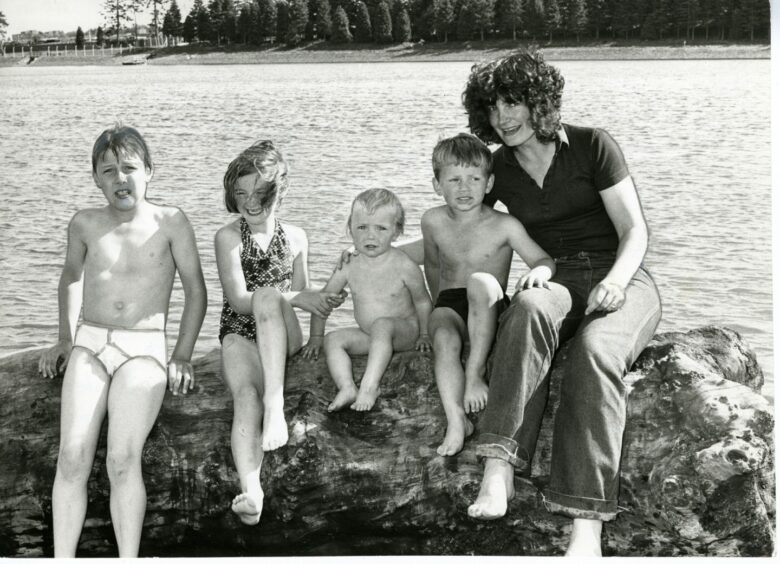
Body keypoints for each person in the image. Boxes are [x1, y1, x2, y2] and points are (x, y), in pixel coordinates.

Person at [461, 49, 662, 556]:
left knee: (595, 355)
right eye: (493, 107)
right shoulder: (499, 169)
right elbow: (463, 223)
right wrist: (378, 253)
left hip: (626, 276)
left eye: (515, 103)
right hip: (558, 276)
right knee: (526, 309)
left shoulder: (593, 145)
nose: (504, 117)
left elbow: (635, 230)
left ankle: (586, 527)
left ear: (539, 103)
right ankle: (499, 467)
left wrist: (616, 281)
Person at [38, 124, 208, 557]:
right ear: (96, 177)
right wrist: (63, 337)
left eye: (129, 168)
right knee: (72, 456)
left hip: (143, 350)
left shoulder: (171, 222)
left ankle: (127, 558)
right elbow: (71, 278)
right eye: (108, 170)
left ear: (149, 171)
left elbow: (196, 291)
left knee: (121, 459)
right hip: (90, 345)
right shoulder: (85, 223)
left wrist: (184, 354)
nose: (120, 178)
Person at [215, 140, 345, 526]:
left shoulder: (297, 237)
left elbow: (306, 299)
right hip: (239, 332)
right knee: (244, 396)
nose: (250, 202)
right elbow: (239, 301)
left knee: (272, 299)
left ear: (279, 190)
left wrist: (320, 328)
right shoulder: (229, 238)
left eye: (260, 192)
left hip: (283, 336)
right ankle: (252, 491)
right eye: (240, 193)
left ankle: (277, 407)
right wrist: (298, 296)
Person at [422, 133, 555, 457]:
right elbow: (432, 266)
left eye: (474, 178)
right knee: (442, 337)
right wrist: (436, 312)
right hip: (452, 301)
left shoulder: (505, 225)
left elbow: (543, 258)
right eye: (454, 179)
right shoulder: (433, 220)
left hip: (490, 302)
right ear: (437, 184)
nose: (464, 188)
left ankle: (475, 372)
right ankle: (457, 419)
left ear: (489, 182)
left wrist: (539, 271)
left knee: (479, 282)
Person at [301, 188, 433, 412]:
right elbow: (324, 299)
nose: (370, 236)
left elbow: (422, 301)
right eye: (362, 227)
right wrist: (315, 337)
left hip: (404, 333)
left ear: (396, 232)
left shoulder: (404, 265)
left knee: (382, 324)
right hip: (370, 334)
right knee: (333, 339)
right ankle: (347, 387)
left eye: (381, 228)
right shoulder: (349, 266)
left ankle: (370, 386)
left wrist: (424, 334)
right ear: (350, 229)